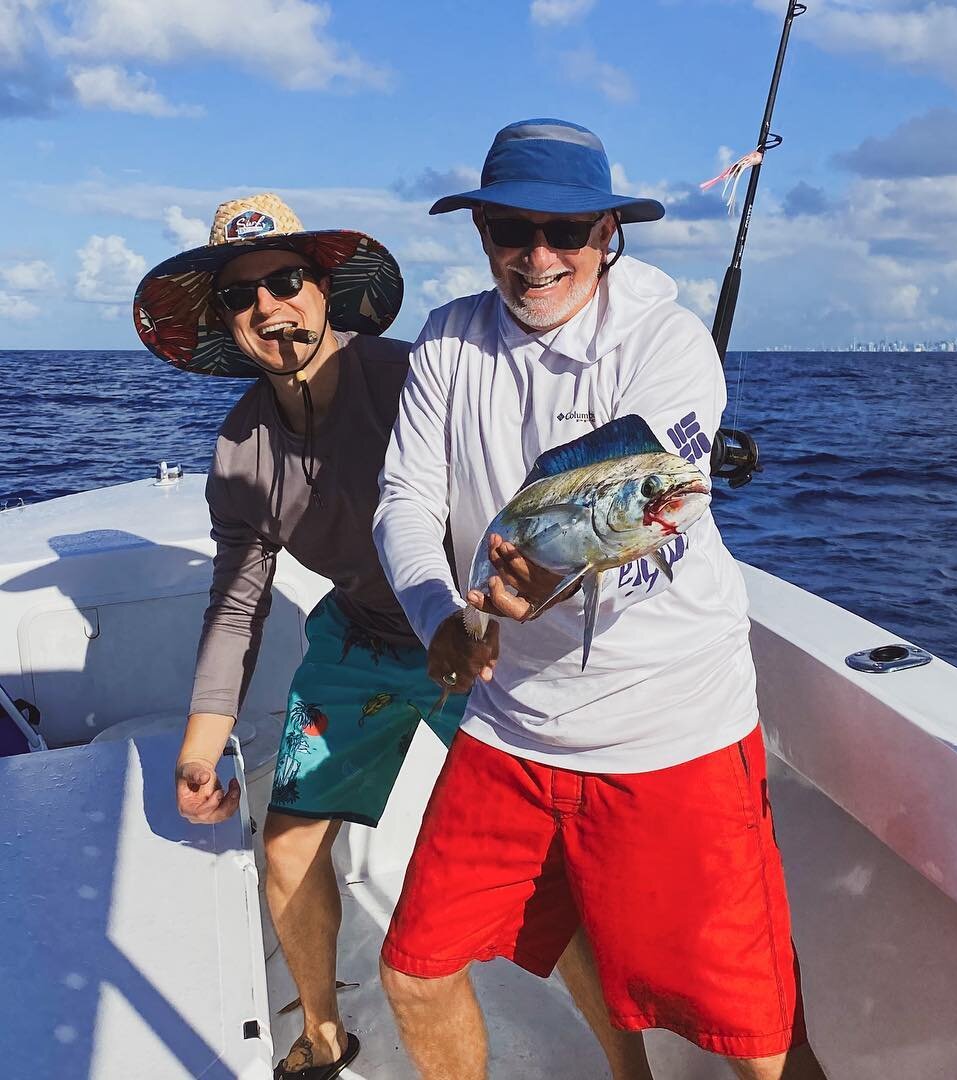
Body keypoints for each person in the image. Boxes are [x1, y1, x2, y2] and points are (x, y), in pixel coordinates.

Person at [135, 193, 639, 1080]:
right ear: (227, 323)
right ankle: (324, 1033)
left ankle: (626, 1068)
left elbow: (528, 475)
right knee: (286, 845)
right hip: (357, 644)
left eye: (286, 280)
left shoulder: (414, 377)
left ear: (323, 289)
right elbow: (237, 604)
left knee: (542, 880)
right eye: (243, 296)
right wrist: (199, 749)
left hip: (469, 644)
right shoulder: (239, 449)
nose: (269, 307)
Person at [373, 119, 827, 1080]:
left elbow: (655, 500)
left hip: (670, 728)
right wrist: (438, 617)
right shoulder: (448, 339)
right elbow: (406, 497)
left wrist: (552, 573)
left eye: (567, 231)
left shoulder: (667, 343)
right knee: (414, 970)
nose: (538, 256)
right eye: (510, 229)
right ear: (481, 232)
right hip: (512, 729)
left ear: (608, 236)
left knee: (753, 1036)